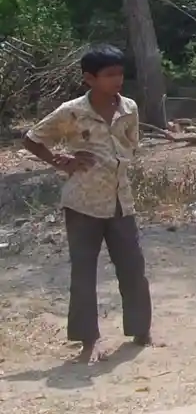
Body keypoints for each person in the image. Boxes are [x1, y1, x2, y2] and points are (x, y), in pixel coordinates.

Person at [22, 45, 153, 360]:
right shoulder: (72, 111)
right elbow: (31, 138)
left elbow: (131, 145)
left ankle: (141, 331)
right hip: (83, 203)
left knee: (133, 267)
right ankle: (88, 341)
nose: (117, 80)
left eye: (120, 73)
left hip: (121, 200)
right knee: (84, 272)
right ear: (89, 78)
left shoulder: (129, 108)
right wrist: (59, 160)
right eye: (109, 75)